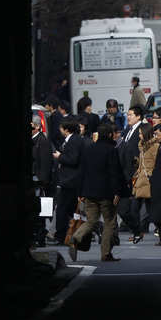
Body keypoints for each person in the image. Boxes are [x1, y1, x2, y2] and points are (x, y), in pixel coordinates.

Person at [68, 123, 124, 262]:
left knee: (91, 221)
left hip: (89, 192)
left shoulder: (89, 149)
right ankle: (105, 253)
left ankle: (76, 237)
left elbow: (82, 172)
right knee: (109, 222)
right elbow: (114, 173)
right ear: (110, 135)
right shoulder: (111, 150)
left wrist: (80, 192)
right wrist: (117, 191)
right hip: (106, 192)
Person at [49, 118, 84, 246]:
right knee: (70, 209)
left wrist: (60, 157)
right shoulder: (70, 140)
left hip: (70, 180)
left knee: (62, 209)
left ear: (66, 129)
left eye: (61, 128)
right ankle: (90, 229)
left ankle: (61, 236)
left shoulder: (74, 141)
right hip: (69, 179)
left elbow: (73, 159)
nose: (59, 130)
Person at [118, 106, 144, 235]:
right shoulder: (128, 129)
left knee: (133, 203)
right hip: (125, 171)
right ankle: (135, 227)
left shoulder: (141, 130)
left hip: (135, 171)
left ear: (138, 116)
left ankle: (137, 227)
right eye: (127, 115)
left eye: (131, 115)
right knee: (125, 205)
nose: (128, 117)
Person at [130, 123, 158, 243]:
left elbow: (156, 162)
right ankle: (137, 232)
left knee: (152, 210)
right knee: (134, 209)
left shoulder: (154, 146)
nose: (139, 135)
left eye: (141, 133)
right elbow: (142, 163)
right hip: (141, 180)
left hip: (149, 180)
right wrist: (136, 162)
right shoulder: (142, 146)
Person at [31, 114, 53, 248]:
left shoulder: (42, 141)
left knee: (40, 211)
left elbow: (45, 163)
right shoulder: (35, 140)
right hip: (33, 181)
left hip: (38, 182)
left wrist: (43, 182)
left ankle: (40, 236)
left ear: (37, 126)